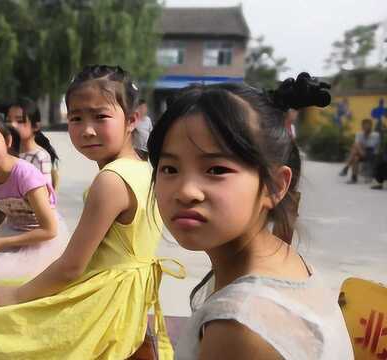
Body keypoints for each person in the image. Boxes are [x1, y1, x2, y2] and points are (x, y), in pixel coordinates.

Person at [0, 65, 181, 359]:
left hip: (104, 306)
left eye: (100, 116)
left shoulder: (110, 181)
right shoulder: (143, 167)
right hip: (126, 301)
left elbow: (71, 267)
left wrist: (15, 296)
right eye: (76, 118)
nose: (87, 130)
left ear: (132, 119)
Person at [148, 74, 353, 359]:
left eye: (216, 169)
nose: (186, 192)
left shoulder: (239, 327)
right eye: (170, 168)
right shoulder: (281, 259)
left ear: (276, 185)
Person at [0, 104, 69, 283]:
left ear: (7, 141)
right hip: (11, 231)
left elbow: (49, 230)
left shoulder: (25, 175)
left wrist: (0, 244)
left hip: (40, 240)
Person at [7, 98, 60, 189]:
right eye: (8, 120)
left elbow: (46, 195)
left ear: (36, 126)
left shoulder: (40, 157)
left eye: (19, 121)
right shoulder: (8, 153)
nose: (12, 125)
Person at [339, 118, 380, 183]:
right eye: (364, 125)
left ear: (371, 126)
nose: (365, 127)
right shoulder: (359, 134)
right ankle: (354, 178)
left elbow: (372, 145)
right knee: (355, 157)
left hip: (371, 153)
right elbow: (357, 143)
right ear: (362, 126)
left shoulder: (375, 135)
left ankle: (346, 167)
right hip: (361, 152)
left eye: (367, 125)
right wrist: (361, 149)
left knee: (356, 147)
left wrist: (362, 145)